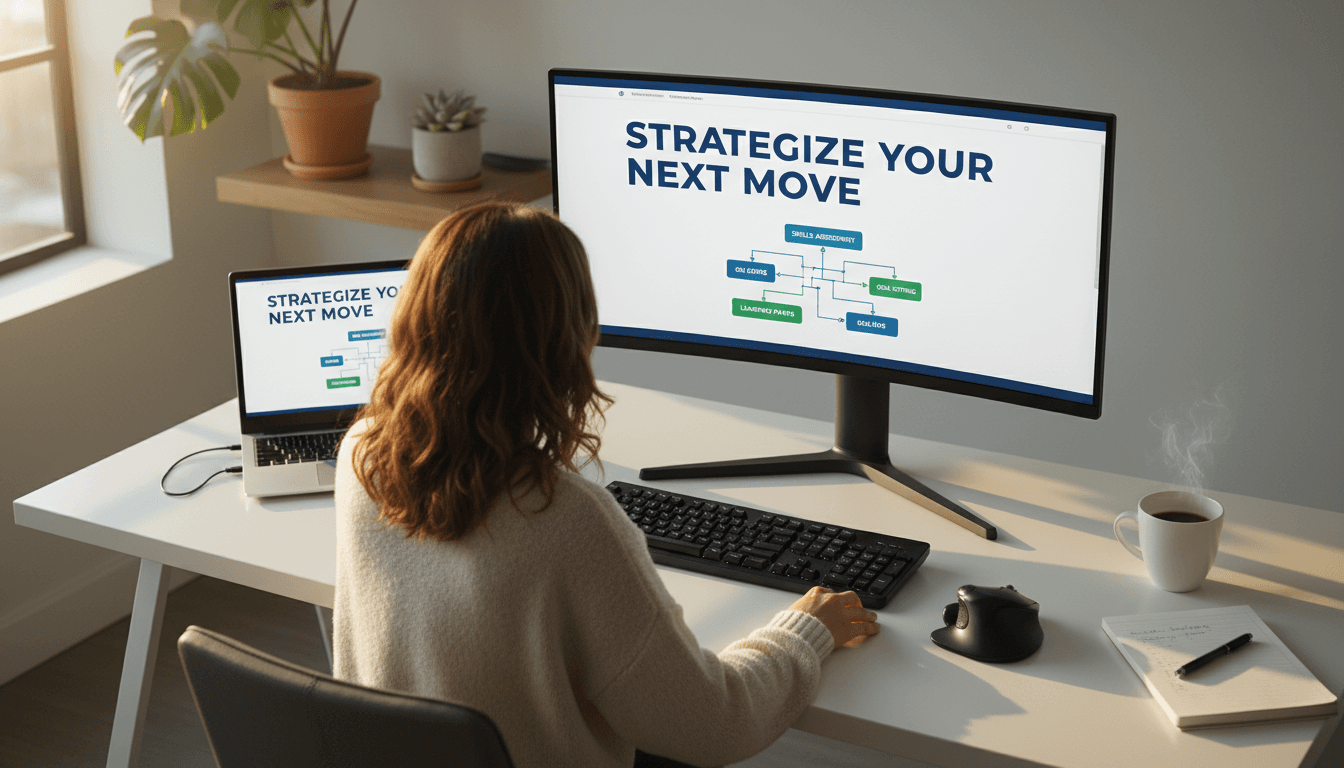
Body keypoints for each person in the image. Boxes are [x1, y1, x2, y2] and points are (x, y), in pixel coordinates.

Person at [332, 202, 880, 768]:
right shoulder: (564, 517)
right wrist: (805, 630)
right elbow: (717, 725)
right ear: (566, 343)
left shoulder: (363, 456)